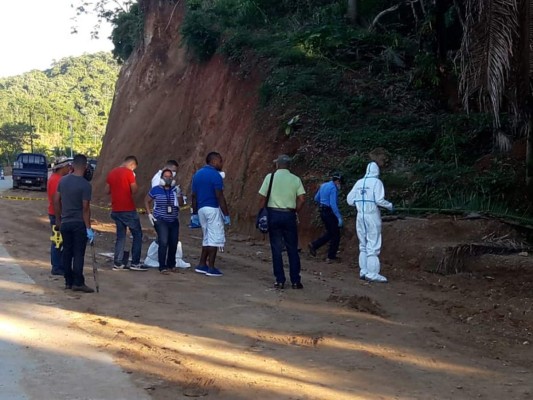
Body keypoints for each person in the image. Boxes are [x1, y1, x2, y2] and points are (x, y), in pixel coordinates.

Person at [258, 154, 305, 289]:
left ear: (277, 164)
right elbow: (302, 199)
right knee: (292, 248)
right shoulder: (296, 179)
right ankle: (296, 281)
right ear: (288, 165)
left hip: (273, 215)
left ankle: (280, 280)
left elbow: (262, 197)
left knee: (276, 249)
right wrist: (295, 211)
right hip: (289, 215)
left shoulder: (270, 177)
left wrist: (262, 213)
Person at [346, 161, 393, 283]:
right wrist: (389, 206)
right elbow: (379, 200)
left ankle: (364, 270)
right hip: (372, 215)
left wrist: (359, 202)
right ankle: (373, 273)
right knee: (373, 244)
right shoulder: (377, 182)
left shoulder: (359, 182)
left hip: (360, 216)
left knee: (363, 244)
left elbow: (349, 200)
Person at [53, 154, 94, 293]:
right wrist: (88, 228)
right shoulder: (85, 185)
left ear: (73, 165)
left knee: (67, 252)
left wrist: (58, 219)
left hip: (65, 222)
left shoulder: (63, 181)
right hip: (78, 224)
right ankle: (78, 282)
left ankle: (68, 282)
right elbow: (86, 208)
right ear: (85, 166)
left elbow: (56, 200)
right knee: (78, 254)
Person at [190, 152, 230, 277]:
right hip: (212, 208)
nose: (221, 164)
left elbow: (194, 196)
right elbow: (219, 196)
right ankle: (211, 267)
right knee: (214, 238)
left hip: (201, 209)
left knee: (207, 237)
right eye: (220, 161)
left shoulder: (197, 174)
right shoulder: (215, 175)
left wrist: (195, 214)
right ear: (214, 161)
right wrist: (226, 214)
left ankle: (202, 264)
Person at [105, 155, 147, 271]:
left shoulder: (112, 172)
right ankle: (135, 262)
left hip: (116, 209)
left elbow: (107, 190)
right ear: (131, 165)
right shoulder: (129, 173)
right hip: (127, 208)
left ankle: (118, 262)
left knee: (121, 236)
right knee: (137, 235)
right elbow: (134, 190)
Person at [144, 168, 184, 274]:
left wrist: (179, 194)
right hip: (161, 220)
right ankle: (162, 267)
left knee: (173, 242)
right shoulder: (156, 189)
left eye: (170, 177)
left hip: (173, 220)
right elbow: (147, 200)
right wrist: (149, 214)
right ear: (162, 178)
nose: (168, 179)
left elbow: (181, 204)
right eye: (166, 176)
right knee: (163, 242)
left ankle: (171, 264)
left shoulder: (175, 190)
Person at [308, 173, 343, 262]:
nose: (340, 185)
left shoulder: (323, 185)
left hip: (322, 211)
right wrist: (338, 216)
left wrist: (323, 203)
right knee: (336, 235)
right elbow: (333, 204)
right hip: (330, 212)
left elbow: (316, 198)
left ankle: (314, 245)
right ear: (337, 181)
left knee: (331, 233)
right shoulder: (333, 188)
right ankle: (331, 257)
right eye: (340, 183)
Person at [47, 156, 71, 276]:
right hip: (57, 215)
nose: (69, 169)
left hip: (57, 214)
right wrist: (58, 218)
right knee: (57, 241)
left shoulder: (56, 178)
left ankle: (58, 265)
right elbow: (56, 201)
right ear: (63, 167)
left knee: (59, 241)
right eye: (68, 166)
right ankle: (56, 266)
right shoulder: (57, 180)